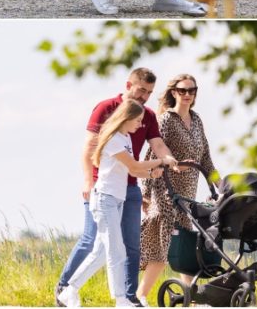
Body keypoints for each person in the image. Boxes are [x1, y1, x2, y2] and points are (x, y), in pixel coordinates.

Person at [55, 67, 178, 307]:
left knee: (118, 247)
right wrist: (88, 181)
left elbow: (148, 154)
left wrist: (165, 162)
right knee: (100, 244)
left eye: (149, 92)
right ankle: (108, 297)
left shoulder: (142, 120)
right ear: (128, 85)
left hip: (124, 190)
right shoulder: (108, 115)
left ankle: (120, 295)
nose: (144, 96)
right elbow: (91, 148)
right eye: (141, 90)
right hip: (103, 191)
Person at [137, 74, 218, 300]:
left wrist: (218, 183)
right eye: (182, 90)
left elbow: (206, 157)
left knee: (184, 246)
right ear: (174, 93)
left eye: (191, 91)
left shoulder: (197, 120)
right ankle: (140, 296)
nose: (187, 95)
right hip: (165, 189)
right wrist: (145, 193)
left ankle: (191, 298)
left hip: (187, 194)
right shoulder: (166, 120)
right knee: (164, 245)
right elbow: (153, 152)